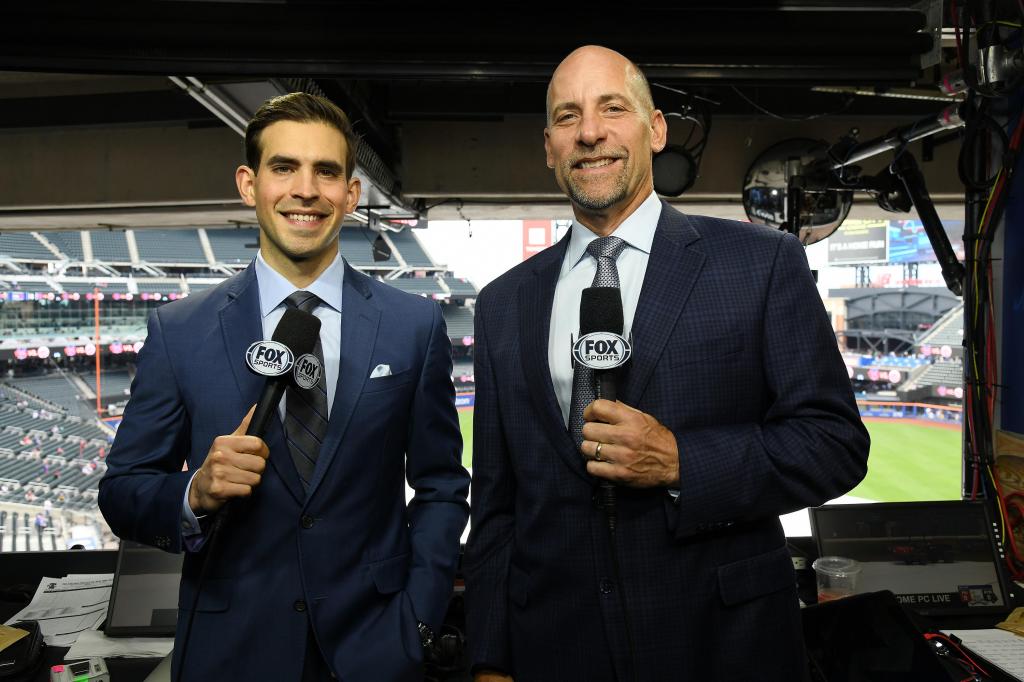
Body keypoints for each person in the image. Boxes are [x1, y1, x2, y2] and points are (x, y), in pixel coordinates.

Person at [463, 46, 869, 682]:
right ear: (549, 146)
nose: (590, 132)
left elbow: (835, 444)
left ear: (655, 130)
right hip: (556, 649)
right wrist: (488, 658)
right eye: (568, 117)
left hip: (724, 647)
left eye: (612, 109)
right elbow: (496, 506)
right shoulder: (502, 305)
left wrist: (683, 461)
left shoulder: (761, 264)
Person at [99, 92, 470, 682]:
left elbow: (442, 487)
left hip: (376, 650)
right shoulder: (181, 331)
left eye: (326, 171)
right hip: (231, 652)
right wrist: (194, 492)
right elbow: (122, 492)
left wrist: (418, 618)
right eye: (284, 168)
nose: (305, 189)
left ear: (351, 192)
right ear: (249, 184)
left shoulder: (413, 326)